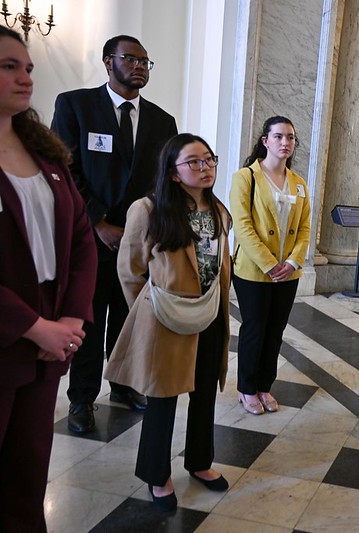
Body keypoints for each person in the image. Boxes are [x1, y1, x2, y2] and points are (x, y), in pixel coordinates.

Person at [51, 34, 178, 433]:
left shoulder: (162, 121)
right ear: (109, 62)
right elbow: (63, 168)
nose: (140, 66)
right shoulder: (75, 105)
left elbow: (163, 181)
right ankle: (81, 400)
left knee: (130, 318)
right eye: (131, 59)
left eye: (145, 61)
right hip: (91, 238)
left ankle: (124, 386)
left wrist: (144, 229)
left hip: (139, 242)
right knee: (89, 322)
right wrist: (98, 221)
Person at [0, 27, 97, 531]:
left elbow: (81, 238)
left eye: (29, 67)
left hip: (49, 337)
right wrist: (34, 326)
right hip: (11, 329)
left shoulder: (42, 151)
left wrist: (69, 319)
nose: (25, 77)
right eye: (8, 66)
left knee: (26, 477)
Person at [104, 134, 231, 511]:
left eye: (209, 159)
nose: (205, 167)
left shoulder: (217, 210)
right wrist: (148, 313)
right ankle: (156, 473)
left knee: (205, 390)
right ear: (173, 173)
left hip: (209, 313)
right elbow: (130, 269)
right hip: (166, 318)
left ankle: (199, 462)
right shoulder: (148, 209)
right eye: (194, 162)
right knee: (162, 397)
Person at [230, 115, 311, 415]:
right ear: (265, 140)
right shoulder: (245, 178)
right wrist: (268, 263)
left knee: (275, 329)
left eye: (290, 137)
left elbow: (304, 228)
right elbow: (242, 226)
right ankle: (247, 388)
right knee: (255, 328)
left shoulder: (299, 183)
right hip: (253, 271)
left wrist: (291, 262)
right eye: (278, 137)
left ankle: (265, 386)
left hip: (288, 273)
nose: (285, 143)